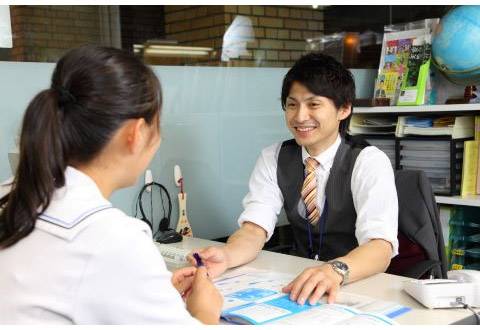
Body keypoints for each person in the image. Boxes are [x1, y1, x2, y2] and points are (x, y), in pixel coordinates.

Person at [0, 45, 222, 324]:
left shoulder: (12, 195)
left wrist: (150, 293)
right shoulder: (112, 239)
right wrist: (204, 312)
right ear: (136, 133)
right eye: (158, 126)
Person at [192, 53, 398, 306]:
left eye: (313, 105)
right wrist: (227, 255)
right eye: (292, 105)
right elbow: (254, 229)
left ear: (344, 109)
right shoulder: (273, 157)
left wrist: (334, 271)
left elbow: (380, 246)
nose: (300, 117)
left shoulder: (368, 162)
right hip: (300, 282)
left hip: (358, 284)